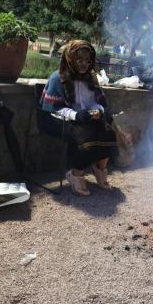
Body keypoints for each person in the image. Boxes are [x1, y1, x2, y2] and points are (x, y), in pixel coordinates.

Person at [39, 40, 118, 196]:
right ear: (70, 58)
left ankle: (99, 169)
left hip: (86, 119)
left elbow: (97, 102)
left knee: (108, 133)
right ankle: (76, 174)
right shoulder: (58, 78)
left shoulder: (91, 78)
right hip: (60, 120)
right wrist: (75, 115)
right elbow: (53, 108)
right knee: (85, 137)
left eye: (88, 61)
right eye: (79, 60)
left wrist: (98, 110)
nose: (84, 64)